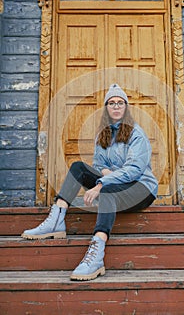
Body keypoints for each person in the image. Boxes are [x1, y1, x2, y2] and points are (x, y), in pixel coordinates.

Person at [21, 84, 158, 281]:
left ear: (126, 107)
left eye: (120, 103)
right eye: (112, 103)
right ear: (106, 108)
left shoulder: (136, 133)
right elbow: (98, 164)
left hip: (142, 189)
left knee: (107, 191)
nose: (116, 106)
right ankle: (57, 219)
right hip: (115, 184)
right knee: (78, 167)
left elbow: (134, 170)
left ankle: (96, 253)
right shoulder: (103, 134)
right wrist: (106, 174)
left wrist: (102, 182)